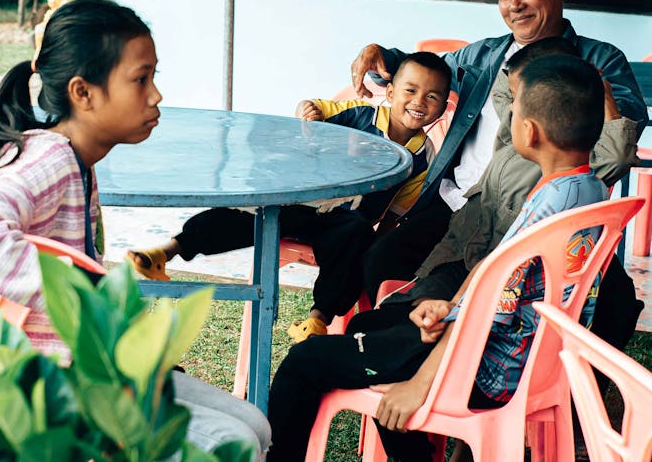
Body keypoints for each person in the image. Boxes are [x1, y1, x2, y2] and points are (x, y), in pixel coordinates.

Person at [0, 0, 270, 458]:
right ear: (83, 93)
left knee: (254, 424)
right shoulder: (49, 160)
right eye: (140, 79)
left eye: (154, 77)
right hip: (44, 381)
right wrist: (77, 300)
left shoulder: (68, 158)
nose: (155, 95)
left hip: (82, 366)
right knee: (236, 444)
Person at [267, 54, 608, 461]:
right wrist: (450, 307)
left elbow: (489, 311)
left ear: (529, 131)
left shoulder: (546, 211)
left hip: (488, 369)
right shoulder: (587, 191)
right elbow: (495, 275)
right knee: (369, 323)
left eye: (512, 109)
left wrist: (421, 383)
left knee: (305, 359)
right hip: (532, 356)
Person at [348, 0, 646, 353]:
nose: (514, 5)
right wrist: (384, 55)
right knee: (379, 260)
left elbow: (621, 135)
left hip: (542, 211)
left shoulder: (597, 60)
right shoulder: (485, 54)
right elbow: (429, 70)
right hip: (459, 202)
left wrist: (593, 85)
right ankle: (412, 352)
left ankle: (555, 380)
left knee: (611, 301)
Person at [128, 52, 452, 341]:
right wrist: (307, 111)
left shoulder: (422, 157)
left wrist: (373, 251)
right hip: (304, 203)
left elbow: (395, 213)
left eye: (432, 96)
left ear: (443, 105)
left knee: (359, 241)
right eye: (410, 90)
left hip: (344, 224)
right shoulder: (358, 115)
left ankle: (317, 319)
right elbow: (314, 111)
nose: (419, 101)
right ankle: (168, 251)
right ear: (391, 91)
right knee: (241, 214)